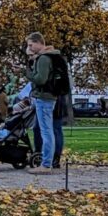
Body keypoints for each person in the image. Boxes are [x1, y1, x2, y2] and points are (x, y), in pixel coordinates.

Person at [25, 32, 71, 174]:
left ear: (39, 42)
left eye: (31, 45)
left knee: (46, 131)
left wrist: (27, 72)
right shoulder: (51, 56)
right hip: (49, 97)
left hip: (44, 97)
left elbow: (40, 79)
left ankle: (46, 164)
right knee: (48, 130)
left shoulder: (44, 58)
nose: (29, 48)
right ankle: (47, 162)